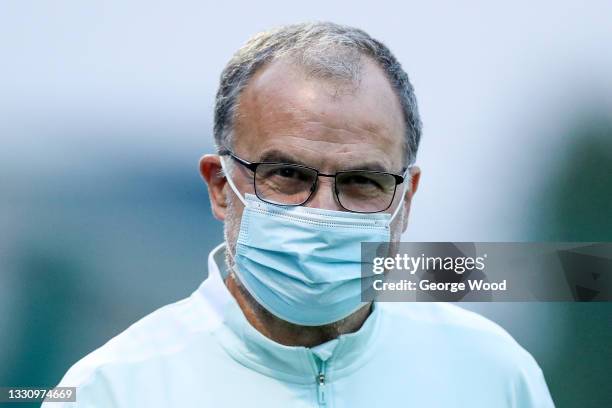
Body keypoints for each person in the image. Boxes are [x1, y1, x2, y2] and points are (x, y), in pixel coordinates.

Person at [45, 22, 555, 407]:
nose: (321, 213)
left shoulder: (491, 373)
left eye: (361, 182)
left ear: (407, 200)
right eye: (287, 175)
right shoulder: (112, 389)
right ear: (221, 187)